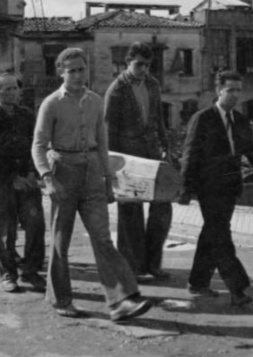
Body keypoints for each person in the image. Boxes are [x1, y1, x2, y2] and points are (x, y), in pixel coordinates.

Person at [32, 47, 151, 322]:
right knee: (61, 241)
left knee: (102, 238)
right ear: (61, 72)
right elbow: (38, 145)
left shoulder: (96, 101)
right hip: (63, 172)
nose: (77, 75)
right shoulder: (51, 103)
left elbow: (103, 143)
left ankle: (122, 300)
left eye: (81, 69)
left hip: (92, 173)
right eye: (71, 70)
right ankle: (60, 299)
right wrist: (48, 179)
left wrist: (108, 181)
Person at [179, 70, 253, 307]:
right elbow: (190, 154)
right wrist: (185, 188)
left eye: (238, 90)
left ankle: (197, 283)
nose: (235, 95)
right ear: (218, 91)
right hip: (208, 187)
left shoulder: (240, 121)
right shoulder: (203, 118)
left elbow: (252, 149)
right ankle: (237, 287)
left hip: (230, 187)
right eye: (230, 90)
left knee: (212, 233)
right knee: (221, 235)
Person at [103, 41, 172, 281]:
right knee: (130, 214)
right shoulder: (117, 90)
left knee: (162, 207)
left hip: (152, 153)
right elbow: (109, 130)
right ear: (127, 62)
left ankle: (153, 263)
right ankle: (133, 267)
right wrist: (112, 166)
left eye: (148, 65)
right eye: (139, 64)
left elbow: (159, 119)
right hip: (127, 159)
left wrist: (166, 146)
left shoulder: (153, 84)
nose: (143, 69)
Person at [0, 73, 46, 293]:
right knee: (5, 231)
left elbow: (37, 145)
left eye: (15, 88)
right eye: (6, 89)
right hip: (2, 183)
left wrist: (30, 173)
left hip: (27, 179)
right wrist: (13, 177)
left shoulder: (27, 116)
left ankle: (31, 271)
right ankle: (8, 274)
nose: (12, 93)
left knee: (36, 225)